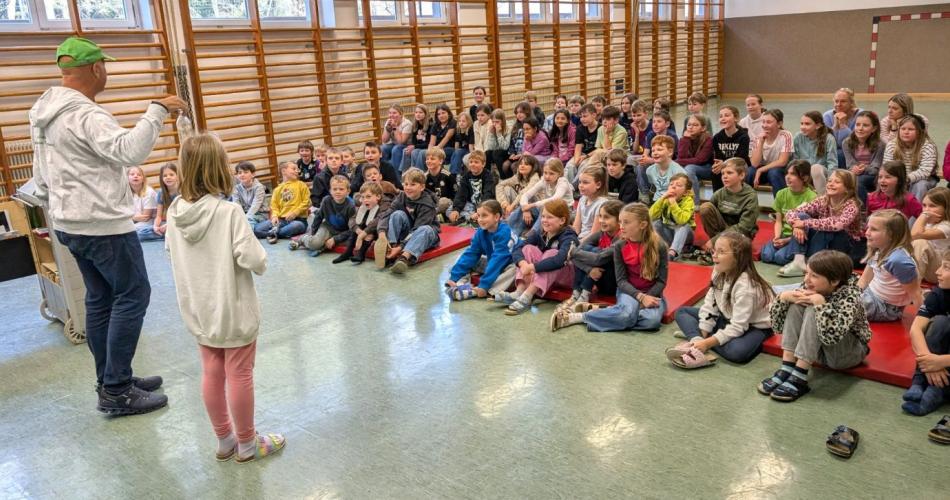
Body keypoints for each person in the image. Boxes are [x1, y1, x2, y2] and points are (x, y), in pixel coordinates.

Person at [30, 36, 185, 414]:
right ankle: (117, 390)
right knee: (133, 295)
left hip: (68, 223)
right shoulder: (85, 114)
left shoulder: (44, 111)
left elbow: (41, 173)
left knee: (100, 300)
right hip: (101, 226)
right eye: (106, 66)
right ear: (97, 68)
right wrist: (157, 109)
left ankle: (113, 378)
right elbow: (130, 151)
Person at [164, 132, 285, 464]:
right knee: (240, 372)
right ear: (219, 167)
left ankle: (224, 440)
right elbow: (256, 261)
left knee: (210, 370)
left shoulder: (174, 212)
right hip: (232, 309)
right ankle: (247, 443)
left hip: (199, 309)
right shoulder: (228, 213)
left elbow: (170, 254)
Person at [758, 250, 870, 402]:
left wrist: (820, 305)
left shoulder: (851, 296)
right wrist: (783, 298)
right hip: (819, 351)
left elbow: (831, 338)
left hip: (845, 354)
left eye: (814, 276)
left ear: (835, 280)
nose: (807, 279)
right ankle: (788, 366)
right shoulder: (810, 285)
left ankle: (799, 376)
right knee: (797, 303)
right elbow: (777, 327)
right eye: (807, 273)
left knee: (812, 308)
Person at [550, 203, 668, 333]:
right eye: (621, 222)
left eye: (626, 222)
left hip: (653, 293)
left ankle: (607, 312)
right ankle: (579, 317)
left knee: (651, 321)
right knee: (626, 315)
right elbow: (622, 281)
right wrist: (640, 297)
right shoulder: (620, 245)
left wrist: (647, 297)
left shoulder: (659, 246)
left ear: (643, 225)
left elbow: (661, 281)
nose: (621, 226)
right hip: (628, 291)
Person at [668, 231, 774, 367]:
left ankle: (699, 343)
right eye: (714, 250)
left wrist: (706, 343)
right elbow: (710, 304)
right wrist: (702, 335)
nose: (714, 255)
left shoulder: (746, 287)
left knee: (737, 352)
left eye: (721, 252)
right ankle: (696, 341)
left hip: (753, 326)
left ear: (738, 257)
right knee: (682, 312)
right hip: (727, 317)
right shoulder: (718, 270)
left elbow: (738, 326)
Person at [495, 199, 578, 315]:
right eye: (543, 216)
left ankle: (528, 295)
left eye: (549, 217)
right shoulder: (541, 233)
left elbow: (560, 260)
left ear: (562, 220)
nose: (544, 220)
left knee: (552, 253)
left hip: (566, 277)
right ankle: (519, 291)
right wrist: (523, 264)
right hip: (543, 276)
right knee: (527, 248)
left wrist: (533, 267)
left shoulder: (569, 236)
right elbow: (518, 248)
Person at [779, 169, 864, 277]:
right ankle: (799, 260)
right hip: (823, 240)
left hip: (846, 244)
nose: (831, 184)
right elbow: (792, 212)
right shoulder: (823, 200)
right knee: (801, 216)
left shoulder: (851, 205)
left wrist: (804, 223)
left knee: (825, 228)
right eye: (829, 181)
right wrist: (797, 225)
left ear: (847, 188)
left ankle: (811, 262)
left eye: (837, 182)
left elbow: (837, 224)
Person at [902, 249, 950, 416]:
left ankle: (938, 390)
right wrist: (929, 364)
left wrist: (942, 361)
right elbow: (915, 329)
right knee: (941, 322)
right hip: (934, 363)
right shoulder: (938, 294)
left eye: (946, 267)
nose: (937, 271)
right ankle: (920, 381)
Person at [554, 200, 624, 312]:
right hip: (599, 278)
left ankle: (583, 297)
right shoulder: (602, 233)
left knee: (595, 252)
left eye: (606, 217)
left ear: (619, 220)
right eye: (600, 216)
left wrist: (572, 252)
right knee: (587, 251)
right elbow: (579, 250)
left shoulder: (622, 238)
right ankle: (576, 295)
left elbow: (599, 258)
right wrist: (590, 269)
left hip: (614, 284)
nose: (601, 221)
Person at [445, 200, 517, 301]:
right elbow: (471, 254)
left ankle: (483, 291)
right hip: (493, 262)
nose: (480, 219)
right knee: (461, 260)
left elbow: (498, 260)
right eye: (478, 216)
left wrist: (484, 285)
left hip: (508, 264)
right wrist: (453, 277)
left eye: (484, 216)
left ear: (496, 217)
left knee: (515, 270)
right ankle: (462, 285)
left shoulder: (504, 232)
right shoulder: (481, 232)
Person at [376, 168, 441, 274]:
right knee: (397, 214)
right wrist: (382, 233)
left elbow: (417, 229)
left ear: (422, 187)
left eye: (413, 184)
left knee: (424, 229)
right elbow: (386, 214)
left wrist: (401, 247)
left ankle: (403, 258)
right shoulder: (402, 196)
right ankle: (391, 247)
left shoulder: (427, 204)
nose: (408, 188)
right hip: (407, 234)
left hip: (424, 235)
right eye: (406, 184)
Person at [859, 209, 920, 322]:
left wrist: (922, 324)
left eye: (874, 229)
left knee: (839, 307)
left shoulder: (899, 261)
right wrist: (853, 294)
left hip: (884, 307)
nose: (867, 232)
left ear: (892, 234)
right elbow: (864, 279)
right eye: (868, 227)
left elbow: (915, 293)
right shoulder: (879, 248)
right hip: (871, 294)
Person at [696, 158, 759, 263]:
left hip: (741, 234)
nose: (724, 176)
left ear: (741, 175)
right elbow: (709, 215)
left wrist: (715, 240)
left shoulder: (750, 196)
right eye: (722, 173)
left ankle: (720, 246)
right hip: (721, 230)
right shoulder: (720, 193)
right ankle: (719, 247)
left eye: (729, 173)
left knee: (738, 252)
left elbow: (744, 227)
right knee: (705, 207)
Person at [760, 161, 818, 266]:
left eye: (793, 174)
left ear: (804, 178)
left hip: (798, 238)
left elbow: (808, 230)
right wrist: (777, 237)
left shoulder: (812, 197)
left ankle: (802, 256)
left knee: (779, 258)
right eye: (787, 173)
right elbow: (778, 221)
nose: (788, 177)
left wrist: (786, 241)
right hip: (783, 234)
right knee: (766, 256)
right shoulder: (781, 193)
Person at [291, 175, 355, 257]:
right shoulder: (326, 200)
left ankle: (323, 246)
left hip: (343, 232)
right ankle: (303, 239)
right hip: (328, 228)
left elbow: (352, 229)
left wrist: (335, 239)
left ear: (348, 191)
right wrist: (313, 233)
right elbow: (318, 217)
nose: (338, 192)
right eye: (334, 189)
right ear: (330, 191)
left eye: (341, 189)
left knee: (354, 242)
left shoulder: (351, 205)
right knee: (314, 244)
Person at [508, 158, 573, 236]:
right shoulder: (544, 181)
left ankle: (532, 235)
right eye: (545, 173)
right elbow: (526, 194)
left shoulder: (562, 183)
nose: (547, 176)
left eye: (551, 174)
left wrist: (531, 205)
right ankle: (512, 232)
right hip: (549, 208)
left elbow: (555, 199)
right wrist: (525, 209)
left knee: (544, 207)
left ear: (559, 174)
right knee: (524, 206)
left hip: (564, 211)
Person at [883, 114, 938, 202]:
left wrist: (907, 179)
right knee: (886, 182)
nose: (906, 132)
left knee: (920, 185)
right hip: (899, 179)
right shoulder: (891, 145)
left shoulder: (927, 146)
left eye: (911, 129)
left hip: (923, 179)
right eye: (903, 129)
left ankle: (915, 214)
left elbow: (925, 171)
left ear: (919, 131)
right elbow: (887, 167)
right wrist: (898, 180)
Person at [253, 161, 310, 244]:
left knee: (298, 226)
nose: (297, 171)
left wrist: (295, 213)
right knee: (257, 229)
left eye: (297, 169)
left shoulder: (301, 185)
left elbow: (307, 202)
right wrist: (274, 216)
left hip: (298, 220)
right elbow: (274, 206)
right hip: (281, 220)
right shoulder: (277, 189)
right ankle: (277, 233)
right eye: (294, 169)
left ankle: (273, 233)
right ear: (283, 171)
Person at [335, 181, 385, 264]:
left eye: (368, 197)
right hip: (362, 232)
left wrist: (365, 233)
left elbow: (377, 224)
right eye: (363, 197)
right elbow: (352, 221)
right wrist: (358, 231)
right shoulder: (360, 208)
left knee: (370, 233)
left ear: (378, 197)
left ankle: (361, 253)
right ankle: (348, 251)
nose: (365, 200)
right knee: (354, 229)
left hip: (374, 233)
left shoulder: (380, 209)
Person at [843, 110, 885, 205]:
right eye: (857, 125)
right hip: (855, 173)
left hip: (873, 175)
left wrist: (864, 168)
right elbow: (850, 164)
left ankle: (864, 209)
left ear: (873, 129)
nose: (860, 128)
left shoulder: (880, 144)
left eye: (865, 125)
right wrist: (854, 168)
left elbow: (876, 169)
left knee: (858, 181)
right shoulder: (846, 142)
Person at [650, 173, 695, 260]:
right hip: (669, 233)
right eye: (671, 184)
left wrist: (673, 203)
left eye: (678, 185)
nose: (673, 187)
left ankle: (672, 253)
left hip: (685, 236)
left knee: (684, 226)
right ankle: (658, 248)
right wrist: (661, 199)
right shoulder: (665, 199)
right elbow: (651, 216)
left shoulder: (688, 201)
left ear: (686, 192)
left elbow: (682, 220)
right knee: (656, 223)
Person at [748, 109, 793, 196]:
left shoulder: (786, 135)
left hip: (780, 170)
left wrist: (761, 170)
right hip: (763, 170)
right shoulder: (758, 138)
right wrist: (760, 142)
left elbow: (782, 162)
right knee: (750, 172)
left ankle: (781, 205)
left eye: (768, 122)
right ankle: (747, 202)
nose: (764, 125)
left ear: (779, 124)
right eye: (763, 122)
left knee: (774, 172)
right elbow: (754, 164)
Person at [911, 187, 950, 285]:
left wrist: (923, 215)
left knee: (920, 243)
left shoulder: (947, 225)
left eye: (932, 206)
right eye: (924, 205)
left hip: (941, 270)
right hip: (927, 267)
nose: (926, 210)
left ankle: (914, 286)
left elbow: (916, 235)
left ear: (946, 208)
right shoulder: (927, 223)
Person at [794, 111, 838, 195]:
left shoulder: (829, 138)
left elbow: (832, 164)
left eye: (807, 124)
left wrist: (831, 181)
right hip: (804, 174)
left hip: (822, 175)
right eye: (801, 123)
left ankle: (823, 200)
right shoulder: (798, 137)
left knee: (815, 168)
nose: (803, 127)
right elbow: (795, 160)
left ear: (818, 125)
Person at [711, 105, 751, 195]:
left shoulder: (743, 136)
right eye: (721, 116)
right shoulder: (717, 137)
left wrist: (724, 164)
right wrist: (719, 165)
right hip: (724, 166)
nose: (723, 118)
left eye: (727, 115)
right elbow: (717, 157)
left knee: (733, 172)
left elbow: (741, 158)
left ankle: (738, 198)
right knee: (715, 171)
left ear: (736, 118)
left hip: (741, 166)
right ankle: (718, 199)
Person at [449, 150, 496, 225]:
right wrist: (456, 210)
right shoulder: (465, 177)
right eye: (471, 162)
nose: (473, 164)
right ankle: (470, 218)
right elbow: (461, 194)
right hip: (470, 204)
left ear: (483, 164)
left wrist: (479, 210)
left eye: (476, 162)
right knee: (450, 210)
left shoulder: (488, 176)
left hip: (484, 204)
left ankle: (469, 218)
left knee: (490, 210)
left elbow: (488, 194)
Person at [679, 114, 715, 204]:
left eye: (695, 125)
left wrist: (676, 161)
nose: (691, 127)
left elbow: (700, 160)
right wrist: (686, 139)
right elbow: (681, 157)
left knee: (689, 168)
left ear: (703, 128)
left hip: (708, 168)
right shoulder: (685, 139)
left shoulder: (708, 139)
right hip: (692, 169)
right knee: (683, 168)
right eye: (689, 125)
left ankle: (695, 203)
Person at [823, 88, 863, 168]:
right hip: (833, 150)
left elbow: (851, 143)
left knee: (840, 154)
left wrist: (843, 125)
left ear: (851, 103)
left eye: (843, 101)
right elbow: (827, 142)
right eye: (836, 101)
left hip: (856, 149)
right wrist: (835, 126)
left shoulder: (861, 115)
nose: (838, 104)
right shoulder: (827, 116)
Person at [645, 135, 685, 203]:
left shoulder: (679, 172)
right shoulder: (649, 171)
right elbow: (653, 185)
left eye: (659, 149)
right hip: (656, 202)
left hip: (674, 202)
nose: (655, 153)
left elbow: (682, 194)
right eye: (653, 150)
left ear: (670, 152)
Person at [573, 165, 608, 240]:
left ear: (598, 185)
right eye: (580, 182)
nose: (580, 186)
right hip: (580, 239)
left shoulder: (602, 204)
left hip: (591, 242)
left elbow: (594, 234)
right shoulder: (582, 199)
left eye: (585, 183)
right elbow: (576, 227)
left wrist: (577, 244)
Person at [127, 166, 159, 241]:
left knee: (132, 233)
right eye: (132, 174)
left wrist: (130, 218)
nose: (135, 176)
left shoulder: (149, 192)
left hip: (150, 221)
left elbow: (146, 217)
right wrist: (132, 218)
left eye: (139, 175)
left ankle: (160, 231)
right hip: (134, 221)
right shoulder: (126, 193)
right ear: (127, 178)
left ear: (143, 179)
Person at [423, 147, 456, 219]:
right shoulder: (424, 177)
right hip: (431, 204)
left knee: (443, 202)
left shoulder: (448, 176)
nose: (429, 161)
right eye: (427, 159)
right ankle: (436, 217)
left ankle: (433, 216)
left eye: (432, 159)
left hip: (446, 204)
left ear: (440, 161)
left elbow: (456, 194)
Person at [231, 161, 267, 226]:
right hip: (244, 214)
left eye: (246, 172)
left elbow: (255, 206)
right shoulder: (236, 188)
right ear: (237, 176)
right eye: (239, 173)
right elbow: (236, 205)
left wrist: (245, 218)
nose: (242, 175)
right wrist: (241, 217)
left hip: (259, 214)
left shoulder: (259, 187)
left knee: (247, 223)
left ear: (253, 174)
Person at [152, 162, 180, 238]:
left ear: (177, 176)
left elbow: (183, 216)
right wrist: (155, 226)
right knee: (142, 232)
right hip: (167, 222)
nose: (168, 177)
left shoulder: (182, 191)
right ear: (162, 178)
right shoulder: (161, 193)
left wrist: (169, 225)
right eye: (165, 176)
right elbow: (158, 216)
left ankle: (167, 234)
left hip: (180, 222)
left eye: (171, 175)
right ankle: (164, 233)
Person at [402, 104, 431, 173]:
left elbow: (429, 143)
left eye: (420, 112)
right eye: (416, 112)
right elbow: (414, 141)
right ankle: (405, 173)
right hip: (419, 147)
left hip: (428, 147)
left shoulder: (431, 124)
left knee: (416, 152)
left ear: (426, 114)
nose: (418, 114)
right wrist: (413, 146)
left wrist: (415, 147)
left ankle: (418, 173)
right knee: (406, 150)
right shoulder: (415, 125)